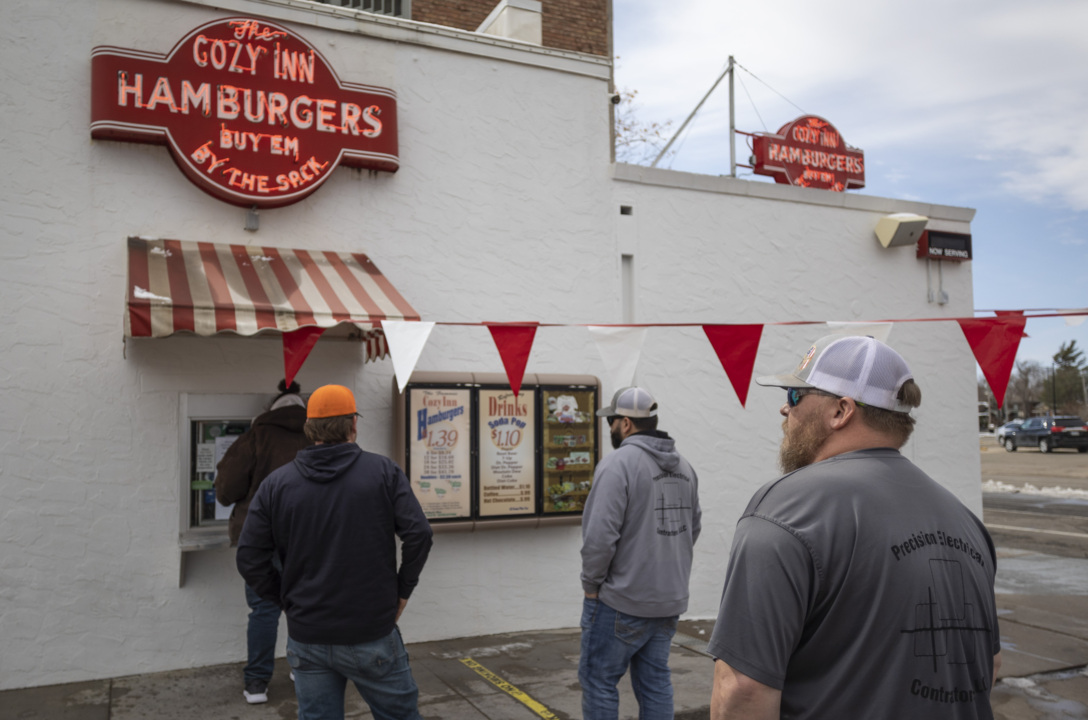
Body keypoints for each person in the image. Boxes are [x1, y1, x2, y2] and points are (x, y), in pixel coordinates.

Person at [708, 335, 1001, 720]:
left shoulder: (788, 508)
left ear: (840, 411)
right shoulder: (965, 520)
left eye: (796, 397)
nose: (784, 409)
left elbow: (742, 690)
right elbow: (989, 668)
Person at [236, 384, 434, 720]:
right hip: (372, 630)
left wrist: (286, 599)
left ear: (309, 428)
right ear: (353, 425)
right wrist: (402, 591)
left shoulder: (277, 484)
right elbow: (419, 534)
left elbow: (249, 556)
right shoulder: (383, 472)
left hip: (308, 637)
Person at [579, 386, 702, 720]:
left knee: (598, 679)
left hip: (621, 602)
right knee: (655, 682)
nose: (610, 429)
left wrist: (591, 585)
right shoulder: (685, 467)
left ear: (627, 425)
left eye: (612, 422)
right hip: (668, 601)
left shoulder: (618, 464)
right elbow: (693, 528)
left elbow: (599, 537)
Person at [215, 379, 312, 704]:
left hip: (260, 538)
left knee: (263, 609)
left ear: (271, 407)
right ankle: (302, 668)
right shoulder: (319, 436)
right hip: (306, 536)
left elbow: (226, 490)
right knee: (303, 606)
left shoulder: (255, 436)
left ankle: (257, 684)